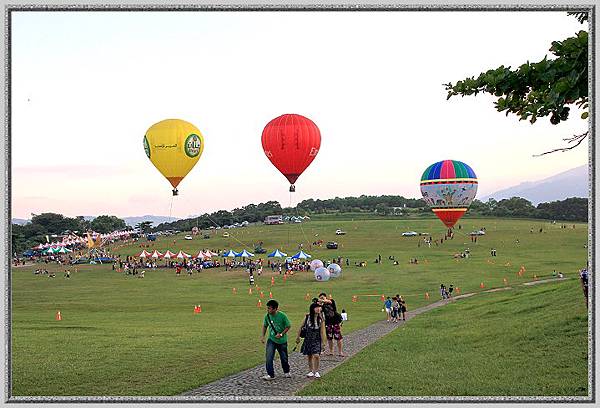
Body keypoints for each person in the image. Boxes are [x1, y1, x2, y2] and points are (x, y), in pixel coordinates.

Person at [260, 299, 292, 380]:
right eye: (267, 308)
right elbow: (265, 326)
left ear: (275, 309)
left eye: (270, 308)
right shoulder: (267, 316)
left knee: (284, 357)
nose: (268, 310)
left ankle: (286, 371)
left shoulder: (282, 316)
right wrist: (263, 336)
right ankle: (270, 374)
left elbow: (288, 326)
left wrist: (281, 334)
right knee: (269, 357)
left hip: (282, 341)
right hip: (271, 339)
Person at [296, 302, 327, 378]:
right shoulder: (307, 317)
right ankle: (310, 371)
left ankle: (316, 371)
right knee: (309, 355)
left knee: (316, 355)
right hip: (308, 339)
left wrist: (323, 342)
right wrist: (297, 337)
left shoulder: (321, 319)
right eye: (316, 307)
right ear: (312, 309)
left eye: (319, 307)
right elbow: (301, 327)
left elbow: (322, 331)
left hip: (317, 339)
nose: (319, 309)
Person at [318, 292, 344, 357]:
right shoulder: (322, 305)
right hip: (328, 323)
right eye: (320, 298)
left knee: (338, 337)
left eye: (323, 297)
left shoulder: (331, 301)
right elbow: (319, 311)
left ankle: (340, 352)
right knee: (329, 338)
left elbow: (329, 302)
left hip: (335, 322)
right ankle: (331, 351)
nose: (321, 299)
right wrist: (319, 304)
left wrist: (323, 300)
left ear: (325, 297)